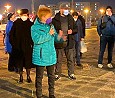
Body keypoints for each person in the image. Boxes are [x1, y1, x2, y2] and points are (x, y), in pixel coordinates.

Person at [31, 6, 63, 98]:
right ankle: (39, 94)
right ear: (43, 16)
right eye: (48, 16)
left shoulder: (51, 26)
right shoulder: (34, 27)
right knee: (39, 77)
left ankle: (51, 94)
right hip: (40, 56)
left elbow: (56, 38)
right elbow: (37, 40)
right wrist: (48, 34)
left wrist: (59, 37)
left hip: (51, 55)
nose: (50, 18)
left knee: (51, 76)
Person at [52, 3, 77, 81]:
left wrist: (72, 31)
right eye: (65, 9)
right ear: (61, 9)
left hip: (69, 42)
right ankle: (57, 73)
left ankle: (71, 73)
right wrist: (57, 33)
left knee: (70, 59)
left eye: (67, 9)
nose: (66, 10)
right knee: (58, 59)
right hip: (59, 42)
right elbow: (51, 31)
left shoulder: (70, 18)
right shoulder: (55, 19)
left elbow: (76, 29)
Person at [9, 9, 33, 83]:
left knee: (28, 63)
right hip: (18, 47)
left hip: (28, 47)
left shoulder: (30, 24)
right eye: (23, 15)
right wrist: (14, 44)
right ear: (20, 15)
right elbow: (11, 35)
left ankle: (28, 76)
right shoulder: (16, 23)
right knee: (19, 63)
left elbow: (33, 36)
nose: (24, 16)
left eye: (26, 15)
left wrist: (32, 44)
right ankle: (21, 77)